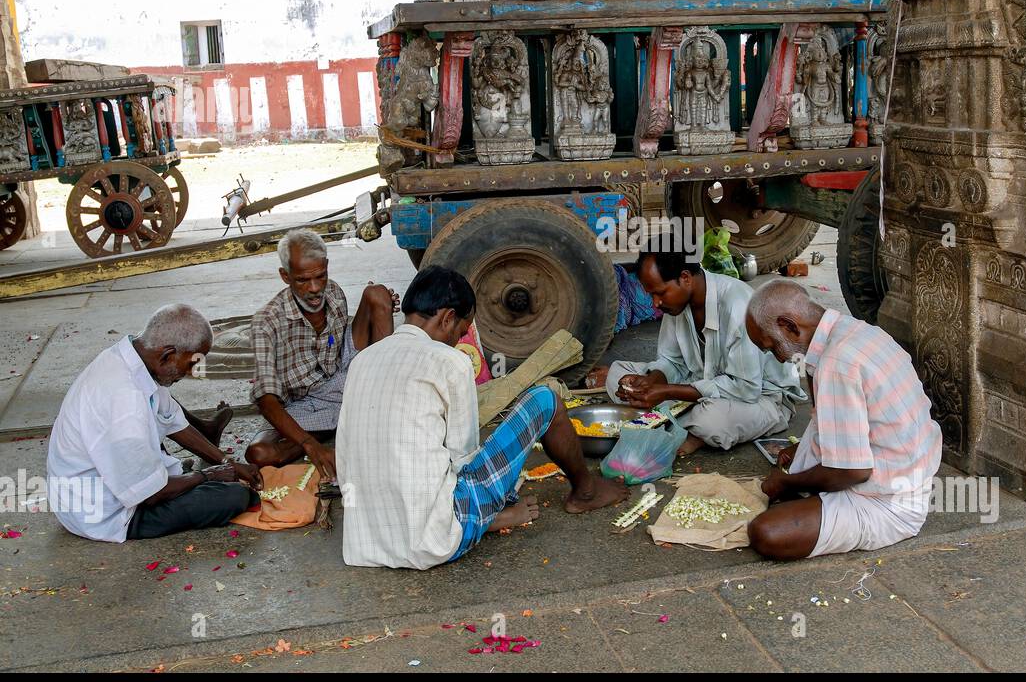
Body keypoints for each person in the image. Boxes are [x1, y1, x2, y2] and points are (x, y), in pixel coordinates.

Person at [336, 265, 627, 570]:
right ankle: (585, 491)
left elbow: (345, 458)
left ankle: (489, 513)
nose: (458, 341)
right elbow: (465, 461)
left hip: (365, 542)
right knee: (545, 400)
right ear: (448, 317)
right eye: (461, 332)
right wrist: (502, 495)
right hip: (431, 542)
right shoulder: (449, 361)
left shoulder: (362, 361)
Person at [742, 280, 941, 559]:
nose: (778, 358)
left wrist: (787, 483)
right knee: (794, 468)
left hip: (887, 504)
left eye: (773, 346)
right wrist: (802, 450)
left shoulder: (837, 363)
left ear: (789, 326)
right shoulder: (855, 330)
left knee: (767, 532)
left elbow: (852, 472)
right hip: (905, 475)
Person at [46, 304, 263, 542]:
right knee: (234, 497)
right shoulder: (125, 402)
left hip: (99, 491)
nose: (192, 372)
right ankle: (193, 482)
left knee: (217, 484)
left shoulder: (133, 357)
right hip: (105, 514)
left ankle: (188, 479)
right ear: (168, 355)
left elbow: (174, 422)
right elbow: (149, 495)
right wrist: (209, 476)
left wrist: (226, 461)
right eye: (191, 364)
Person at [588, 236, 804, 457]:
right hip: (700, 382)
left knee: (710, 421)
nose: (655, 303)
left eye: (660, 293)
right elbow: (672, 361)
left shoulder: (737, 305)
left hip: (760, 398)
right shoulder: (677, 305)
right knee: (618, 374)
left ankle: (681, 425)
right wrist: (651, 382)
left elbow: (746, 388)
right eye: (651, 294)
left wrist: (666, 391)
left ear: (685, 278)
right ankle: (674, 420)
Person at [244, 228, 399, 491]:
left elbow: (341, 343)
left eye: (320, 276)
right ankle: (341, 423)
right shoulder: (266, 322)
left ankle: (385, 406)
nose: (315, 289)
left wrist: (383, 307)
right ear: (285, 276)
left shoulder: (335, 294)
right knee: (260, 454)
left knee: (377, 294)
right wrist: (308, 445)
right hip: (306, 404)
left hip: (346, 375)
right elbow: (265, 399)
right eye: (303, 280)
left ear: (326, 267)